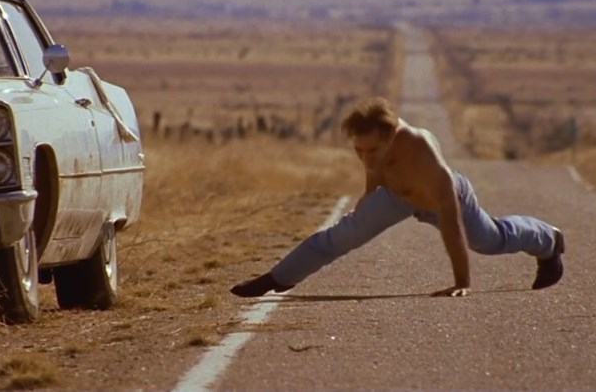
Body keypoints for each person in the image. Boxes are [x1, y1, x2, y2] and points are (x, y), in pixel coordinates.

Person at [230, 97, 564, 298]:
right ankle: (277, 279)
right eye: (358, 151)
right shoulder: (372, 144)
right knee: (343, 235)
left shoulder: (425, 157)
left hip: (441, 200)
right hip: (397, 196)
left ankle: (548, 239)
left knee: (490, 241)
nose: (365, 157)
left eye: (372, 150)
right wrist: (367, 195)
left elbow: (451, 224)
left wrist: (461, 282)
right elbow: (375, 166)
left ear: (392, 137)